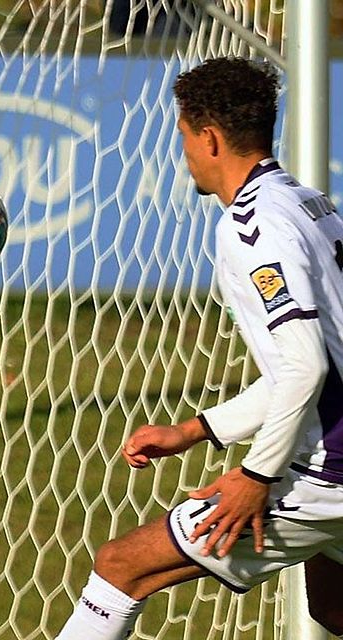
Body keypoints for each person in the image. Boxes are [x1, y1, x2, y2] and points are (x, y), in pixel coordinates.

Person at [54, 57, 343, 640]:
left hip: (328, 471)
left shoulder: (253, 228)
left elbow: (307, 364)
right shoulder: (313, 206)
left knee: (120, 567)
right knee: (335, 609)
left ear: (208, 138)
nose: (182, 150)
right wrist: (194, 431)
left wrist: (254, 476)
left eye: (183, 136)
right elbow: (308, 365)